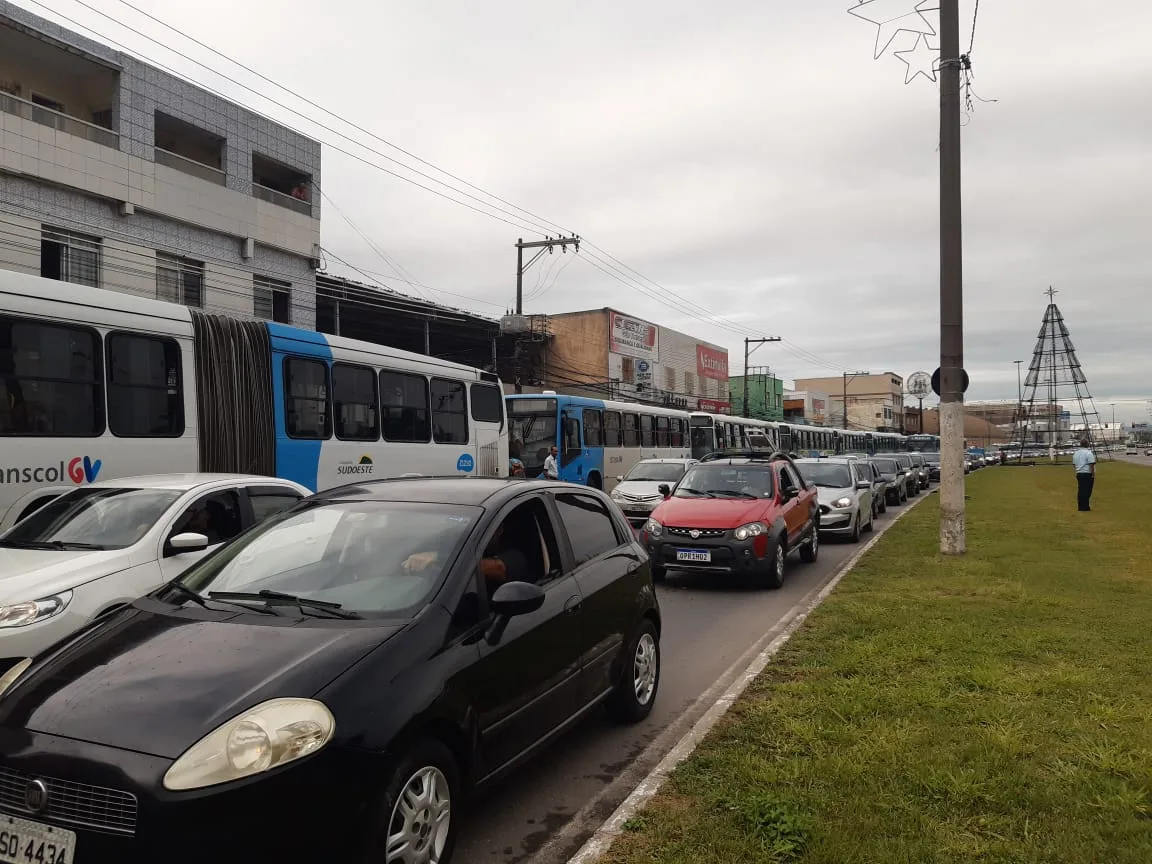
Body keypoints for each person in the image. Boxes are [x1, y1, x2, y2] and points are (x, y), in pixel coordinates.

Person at [1072, 438, 1097, 511]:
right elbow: (1091, 464)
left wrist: (1078, 469)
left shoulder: (1076, 453)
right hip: (1087, 474)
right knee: (1087, 491)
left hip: (1079, 473)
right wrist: (1093, 475)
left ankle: (1081, 506)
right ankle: (1085, 506)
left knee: (1081, 490)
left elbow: (1074, 464)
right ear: (1087, 444)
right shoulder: (1088, 453)